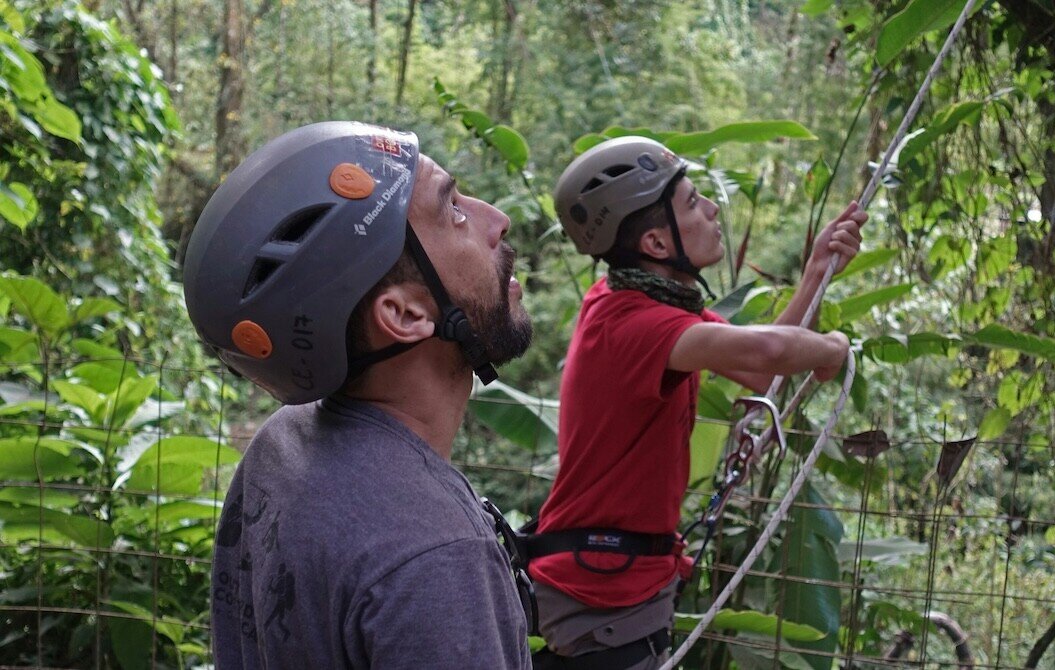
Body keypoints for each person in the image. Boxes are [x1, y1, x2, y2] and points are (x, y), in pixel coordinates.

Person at [183, 121, 535, 669]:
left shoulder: (283, 444)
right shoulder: (436, 558)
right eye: (454, 210)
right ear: (406, 314)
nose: (496, 219)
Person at [526, 136, 866, 669]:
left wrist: (816, 271)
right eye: (691, 202)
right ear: (657, 243)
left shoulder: (644, 304)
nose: (711, 208)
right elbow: (769, 350)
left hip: (612, 581)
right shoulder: (635, 325)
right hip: (603, 591)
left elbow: (758, 370)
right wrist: (833, 348)